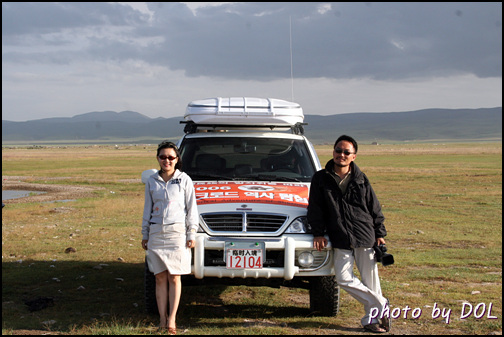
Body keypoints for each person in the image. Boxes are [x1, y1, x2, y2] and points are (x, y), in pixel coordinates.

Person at [307, 135, 391, 333]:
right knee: (343, 278)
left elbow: (374, 206)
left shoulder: (361, 178)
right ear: (333, 152)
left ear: (354, 156)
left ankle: (371, 320)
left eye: (346, 152)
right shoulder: (321, 178)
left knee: (371, 282)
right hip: (340, 237)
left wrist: (380, 232)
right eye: (338, 150)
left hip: (365, 236)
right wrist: (317, 233)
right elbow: (315, 208)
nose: (341, 155)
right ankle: (382, 305)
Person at [141, 141, 199, 335]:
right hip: (157, 232)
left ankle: (172, 319)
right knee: (159, 277)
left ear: (177, 159)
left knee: (174, 276)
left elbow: (192, 209)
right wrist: (145, 233)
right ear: (158, 159)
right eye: (163, 157)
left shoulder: (184, 180)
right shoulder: (151, 181)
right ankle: (162, 319)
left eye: (171, 157)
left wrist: (191, 232)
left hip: (177, 233)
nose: (167, 160)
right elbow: (147, 209)